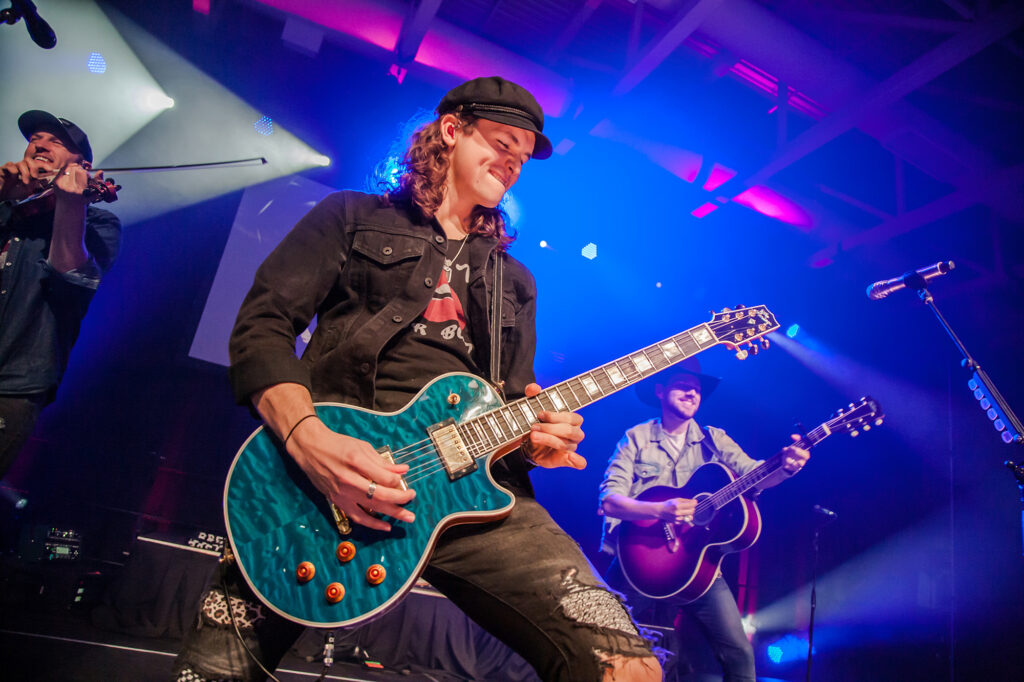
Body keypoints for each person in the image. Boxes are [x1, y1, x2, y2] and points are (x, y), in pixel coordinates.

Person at [173, 77, 661, 682]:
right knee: (212, 674)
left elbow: (513, 398)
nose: (513, 162)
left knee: (627, 665)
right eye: (503, 141)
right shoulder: (350, 217)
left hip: (470, 497)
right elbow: (262, 327)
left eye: (523, 154)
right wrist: (307, 438)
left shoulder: (516, 281)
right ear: (452, 131)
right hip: (325, 479)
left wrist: (535, 440)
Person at [599, 357, 811, 681]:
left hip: (699, 568)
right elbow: (610, 502)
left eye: (696, 389)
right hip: (639, 564)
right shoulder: (636, 438)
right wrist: (660, 510)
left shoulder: (714, 439)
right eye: (683, 385)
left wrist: (783, 468)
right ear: (660, 391)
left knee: (739, 655)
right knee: (596, 643)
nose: (692, 393)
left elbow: (753, 474)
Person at [0, 111, 121, 479]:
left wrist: (72, 204)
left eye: (57, 142)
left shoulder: (98, 223)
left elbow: (72, 280)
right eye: (36, 138)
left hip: (13, 385)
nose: (41, 144)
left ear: (81, 165)